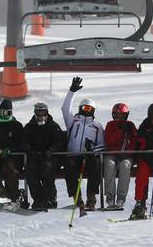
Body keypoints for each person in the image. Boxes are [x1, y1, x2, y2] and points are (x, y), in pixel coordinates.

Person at [61, 76, 105, 212]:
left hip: (89, 156)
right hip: (73, 155)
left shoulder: (97, 126)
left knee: (96, 165)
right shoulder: (73, 121)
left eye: (89, 108)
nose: (86, 110)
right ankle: (77, 197)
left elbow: (102, 145)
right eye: (84, 107)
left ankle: (91, 198)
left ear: (93, 110)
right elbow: (65, 108)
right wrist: (72, 91)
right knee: (69, 166)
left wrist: (92, 149)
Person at [22, 103, 64, 210]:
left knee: (46, 169)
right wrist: (30, 151)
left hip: (51, 157)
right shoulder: (30, 127)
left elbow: (58, 142)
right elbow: (24, 141)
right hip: (35, 156)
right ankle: (38, 199)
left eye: (43, 113)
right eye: (38, 113)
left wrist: (49, 151)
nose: (40, 116)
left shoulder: (53, 126)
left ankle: (50, 199)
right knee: (30, 171)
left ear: (47, 113)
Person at [103, 103, 137, 209]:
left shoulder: (131, 125)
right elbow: (108, 141)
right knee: (109, 165)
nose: (119, 118)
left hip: (126, 155)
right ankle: (110, 196)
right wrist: (120, 130)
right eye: (117, 116)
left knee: (125, 166)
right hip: (112, 153)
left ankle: (121, 197)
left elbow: (135, 142)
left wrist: (128, 153)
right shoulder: (110, 125)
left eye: (122, 116)